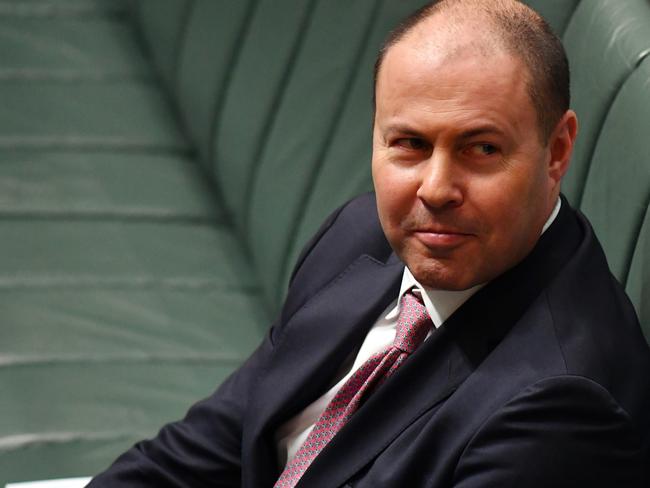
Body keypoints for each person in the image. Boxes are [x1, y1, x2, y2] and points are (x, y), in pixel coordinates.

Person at [88, 0, 650, 486]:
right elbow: (211, 444)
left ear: (556, 152)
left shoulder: (561, 410)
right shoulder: (362, 234)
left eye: (481, 149)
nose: (435, 189)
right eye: (409, 144)